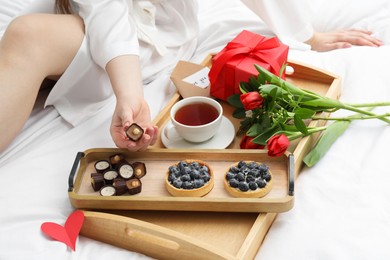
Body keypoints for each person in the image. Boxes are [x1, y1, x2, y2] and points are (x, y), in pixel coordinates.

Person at [0, 0, 383, 154]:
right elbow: (107, 14)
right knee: (27, 33)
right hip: (97, 32)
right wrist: (130, 96)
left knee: (28, 35)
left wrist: (308, 36)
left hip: (162, 36)